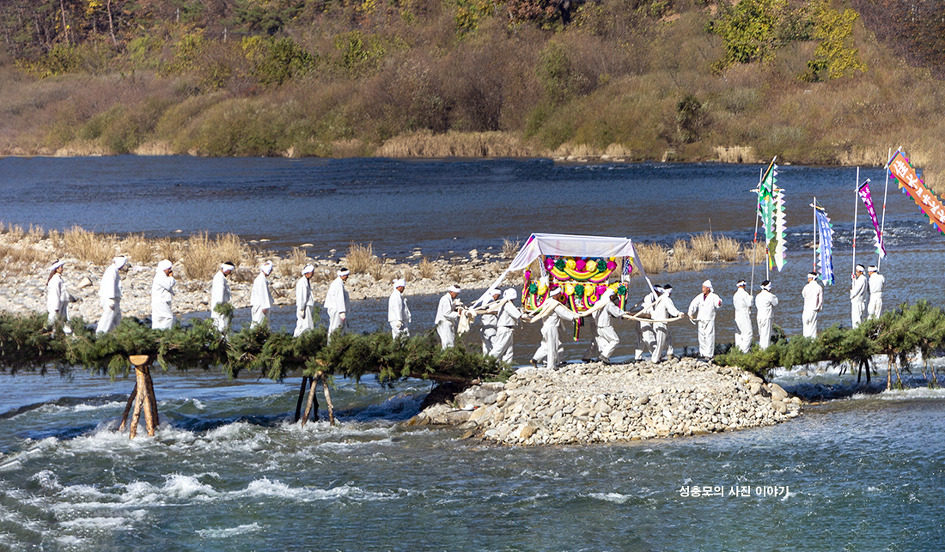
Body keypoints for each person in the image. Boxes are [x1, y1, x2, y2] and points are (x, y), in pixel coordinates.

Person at [530, 287, 582, 370]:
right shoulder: (554, 304)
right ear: (556, 294)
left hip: (545, 326)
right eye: (559, 294)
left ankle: (535, 359)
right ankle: (551, 366)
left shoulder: (547, 302)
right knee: (552, 346)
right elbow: (563, 313)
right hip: (552, 327)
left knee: (545, 345)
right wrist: (574, 317)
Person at [688, 279, 722, 359]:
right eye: (702, 287)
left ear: (708, 288)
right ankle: (702, 354)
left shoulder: (713, 296)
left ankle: (709, 355)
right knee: (701, 337)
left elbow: (718, 302)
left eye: (704, 287)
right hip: (701, 320)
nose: (702, 289)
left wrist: (719, 303)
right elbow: (693, 304)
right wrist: (691, 313)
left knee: (709, 337)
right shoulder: (700, 296)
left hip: (709, 320)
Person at [591, 291, 628, 364]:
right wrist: (624, 313)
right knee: (615, 340)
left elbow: (593, 313)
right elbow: (617, 312)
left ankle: (602, 359)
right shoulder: (609, 304)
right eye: (613, 296)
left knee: (605, 342)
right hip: (606, 326)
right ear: (610, 296)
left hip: (598, 326)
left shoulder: (598, 302)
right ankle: (604, 356)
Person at [651, 284, 683, 362]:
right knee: (660, 342)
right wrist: (678, 313)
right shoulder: (666, 299)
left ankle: (670, 353)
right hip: (660, 322)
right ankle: (655, 359)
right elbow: (671, 309)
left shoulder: (660, 298)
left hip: (660, 322)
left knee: (668, 337)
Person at [96, 256, 127, 334]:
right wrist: (111, 298)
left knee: (116, 319)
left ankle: (117, 335)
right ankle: (100, 335)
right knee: (107, 318)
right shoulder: (112, 270)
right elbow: (110, 284)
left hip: (114, 299)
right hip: (110, 299)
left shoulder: (114, 270)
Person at [490, 288, 523, 363]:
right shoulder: (507, 304)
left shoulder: (504, 303)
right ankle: (487, 362)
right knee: (499, 348)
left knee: (508, 350)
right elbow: (517, 314)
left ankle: (507, 368)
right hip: (505, 329)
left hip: (508, 329)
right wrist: (523, 314)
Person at [633, 285, 662, 360]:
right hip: (643, 319)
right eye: (659, 292)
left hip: (645, 318)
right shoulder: (648, 297)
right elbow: (650, 309)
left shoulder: (656, 298)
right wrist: (654, 316)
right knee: (647, 337)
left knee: (643, 338)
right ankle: (656, 355)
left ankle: (638, 357)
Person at [45, 260, 72, 334]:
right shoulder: (55, 280)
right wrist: (56, 307)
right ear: (56, 269)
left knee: (63, 321)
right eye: (61, 267)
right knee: (53, 322)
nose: (62, 269)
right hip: (56, 305)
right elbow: (55, 294)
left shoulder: (59, 279)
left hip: (62, 304)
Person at [324, 268, 350, 338]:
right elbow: (339, 298)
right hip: (337, 309)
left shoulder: (338, 282)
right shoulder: (338, 284)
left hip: (335, 308)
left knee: (336, 327)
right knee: (336, 327)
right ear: (343, 275)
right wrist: (342, 312)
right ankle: (333, 343)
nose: (347, 277)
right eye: (347, 275)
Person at [210, 262, 235, 333]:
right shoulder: (219, 278)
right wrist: (222, 308)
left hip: (221, 306)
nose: (230, 273)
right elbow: (220, 294)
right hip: (220, 308)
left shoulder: (221, 277)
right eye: (230, 271)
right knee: (220, 325)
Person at [435, 284, 462, 349]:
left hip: (446, 324)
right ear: (451, 292)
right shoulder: (446, 299)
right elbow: (446, 313)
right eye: (456, 293)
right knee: (448, 343)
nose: (456, 295)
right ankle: (447, 358)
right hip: (444, 324)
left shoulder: (448, 299)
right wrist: (458, 314)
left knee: (448, 342)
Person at [151, 259, 175, 330]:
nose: (170, 271)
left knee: (158, 320)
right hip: (161, 302)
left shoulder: (161, 276)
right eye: (169, 269)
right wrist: (171, 277)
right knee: (167, 318)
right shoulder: (160, 276)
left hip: (159, 302)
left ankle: (157, 336)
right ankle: (165, 335)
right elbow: (169, 285)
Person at [755, 280, 779, 349]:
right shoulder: (769, 295)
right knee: (766, 335)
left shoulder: (758, 296)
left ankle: (761, 349)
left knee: (761, 334)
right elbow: (775, 303)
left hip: (759, 317)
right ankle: (765, 351)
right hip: (767, 317)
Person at [294, 264, 316, 337]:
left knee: (305, 324)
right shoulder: (302, 282)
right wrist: (301, 309)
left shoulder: (306, 281)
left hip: (306, 306)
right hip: (304, 307)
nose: (313, 274)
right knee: (304, 325)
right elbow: (302, 296)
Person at [251, 261, 274, 328]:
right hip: (260, 307)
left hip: (260, 306)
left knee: (262, 325)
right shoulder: (261, 280)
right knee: (258, 324)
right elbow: (263, 293)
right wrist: (265, 306)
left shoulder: (261, 279)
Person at [801, 271, 823, 338]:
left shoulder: (806, 287)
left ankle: (806, 340)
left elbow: (803, 295)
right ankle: (812, 341)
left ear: (811, 278)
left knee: (806, 327)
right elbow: (820, 300)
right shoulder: (819, 287)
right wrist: (818, 308)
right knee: (812, 327)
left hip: (807, 309)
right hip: (814, 309)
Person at [479, 289, 501, 354]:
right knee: (493, 344)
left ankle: (486, 360)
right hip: (490, 326)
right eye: (498, 296)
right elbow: (498, 310)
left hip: (484, 325)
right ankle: (494, 360)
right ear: (494, 295)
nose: (498, 298)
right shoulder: (491, 301)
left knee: (486, 345)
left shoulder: (486, 300)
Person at [733, 279, 753, 353]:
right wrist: (751, 299)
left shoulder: (735, 295)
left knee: (739, 334)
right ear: (744, 285)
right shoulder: (745, 294)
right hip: (744, 315)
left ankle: (738, 350)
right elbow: (749, 304)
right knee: (748, 333)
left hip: (737, 315)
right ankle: (744, 351)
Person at [850, 264, 868, 328]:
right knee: (860, 319)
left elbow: (856, 290)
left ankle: (857, 333)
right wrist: (854, 280)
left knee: (856, 320)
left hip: (858, 302)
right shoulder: (862, 279)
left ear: (861, 272)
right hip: (860, 302)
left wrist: (851, 294)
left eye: (857, 272)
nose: (856, 273)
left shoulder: (862, 279)